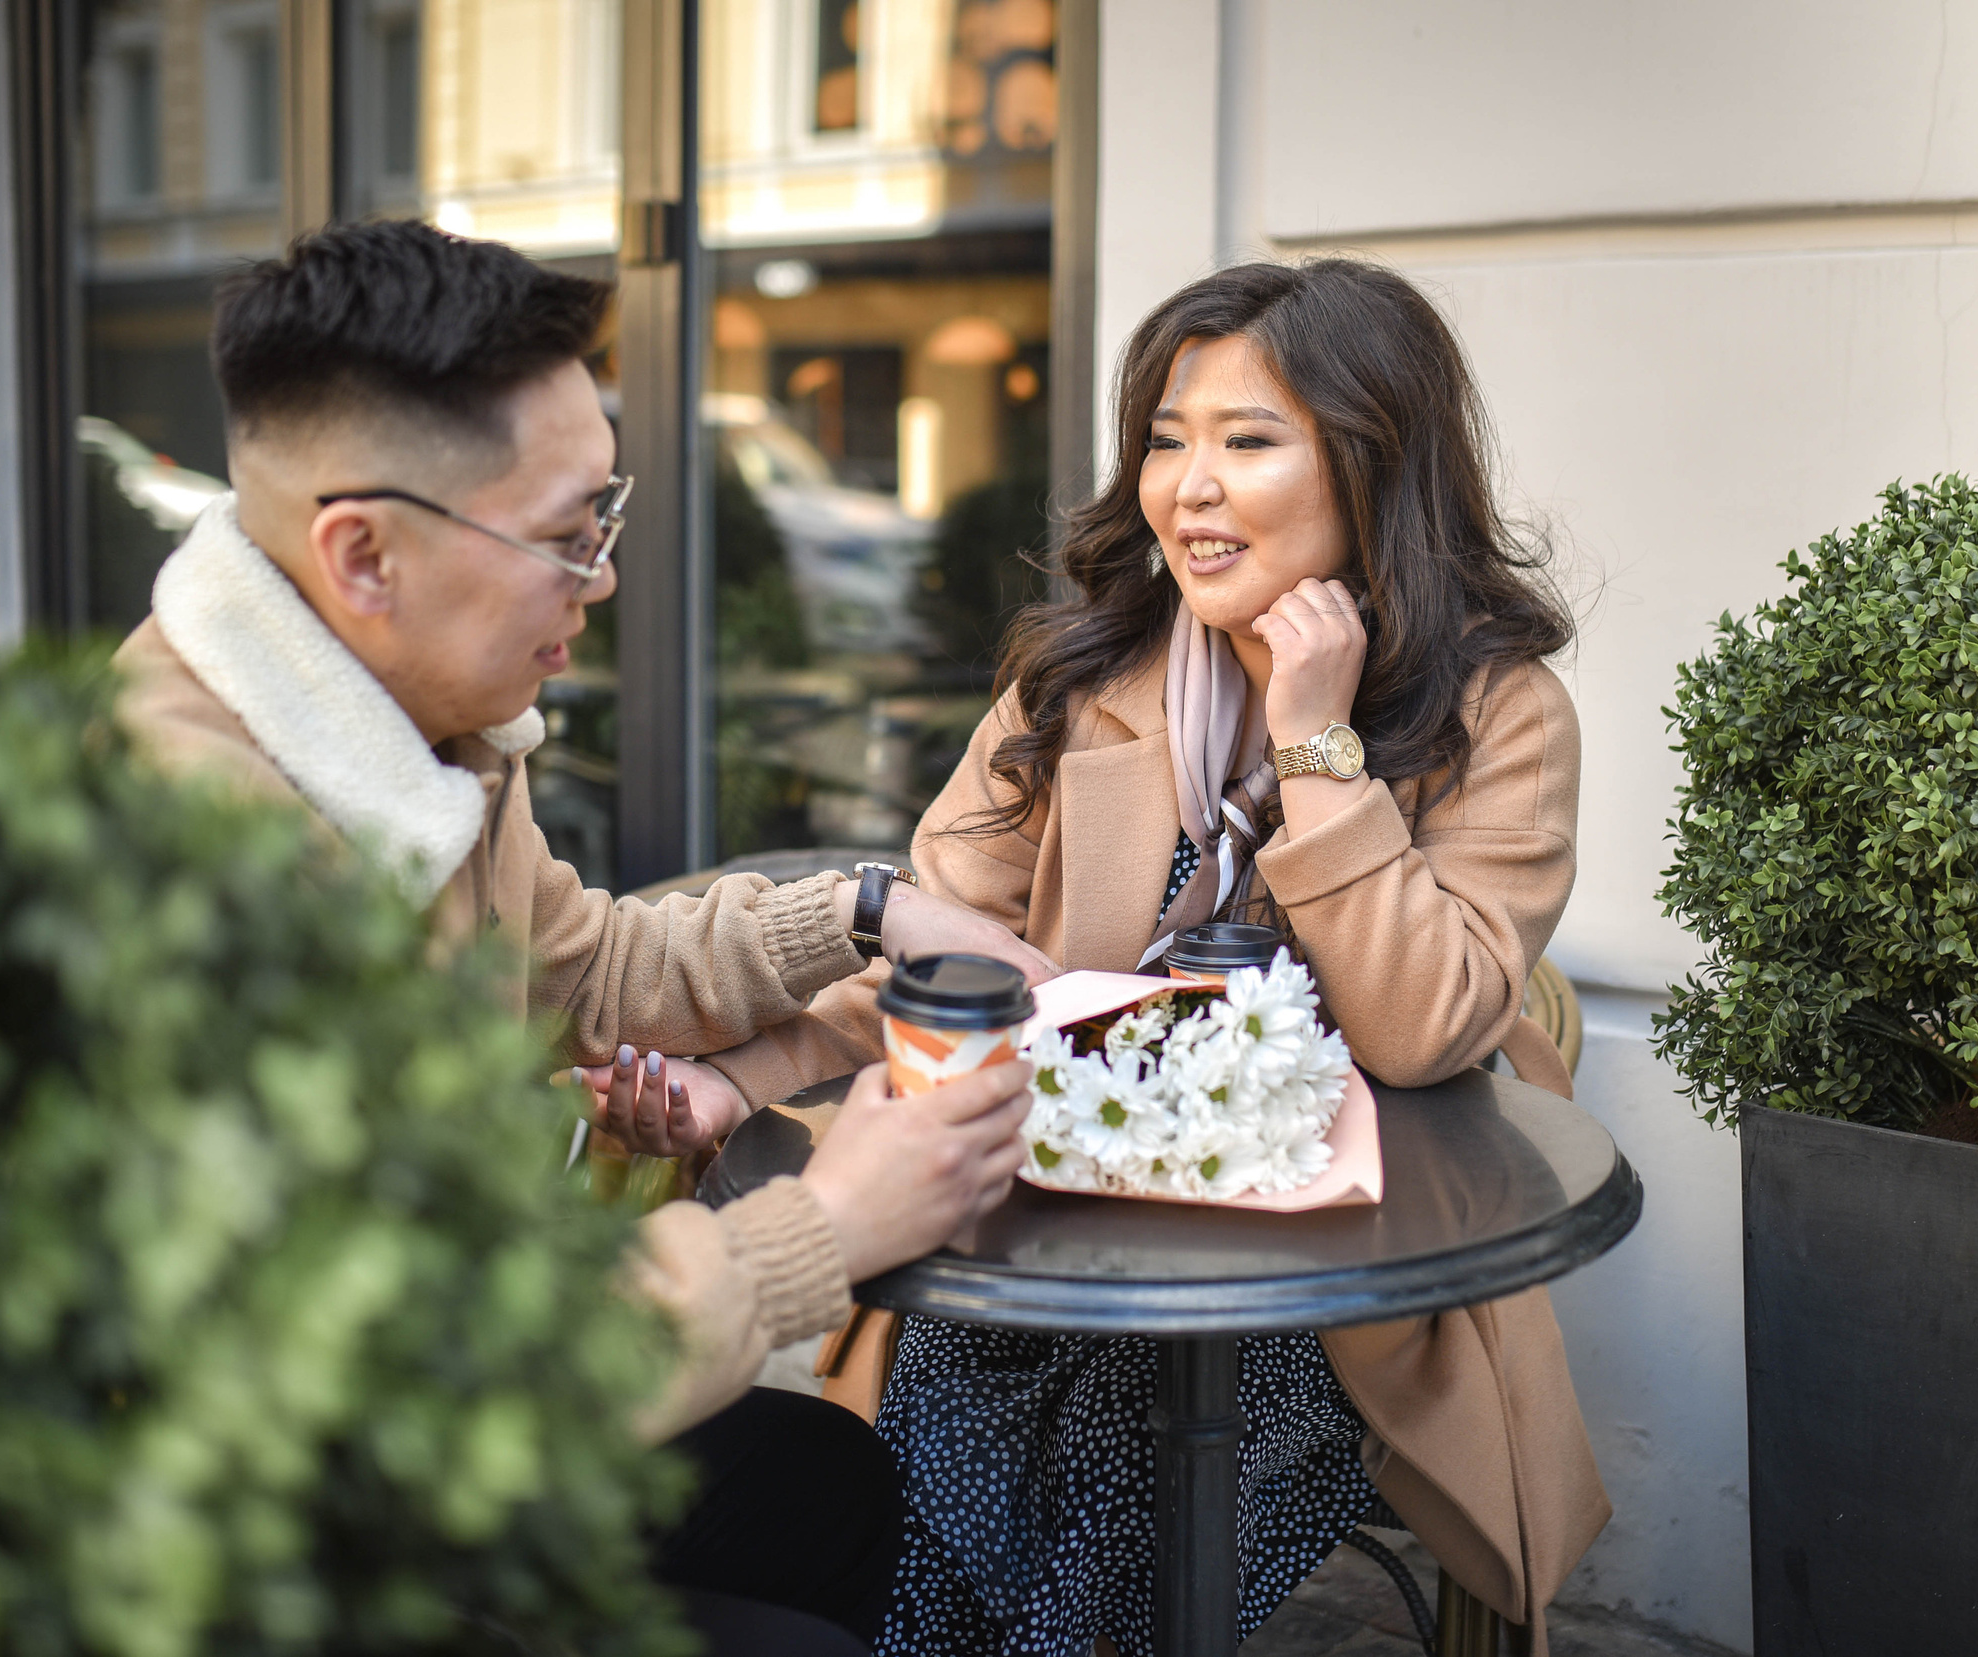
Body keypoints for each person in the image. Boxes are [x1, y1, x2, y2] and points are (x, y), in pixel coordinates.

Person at [593, 259, 1609, 1655]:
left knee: (1108, 1578)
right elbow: (942, 931)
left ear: (1373, 465)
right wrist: (746, 1073)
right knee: (911, 1569)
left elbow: (1427, 1023)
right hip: (1048, 1223)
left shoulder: (1499, 714)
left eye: (1247, 440)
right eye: (1168, 439)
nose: (1187, 485)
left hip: (1313, 1282)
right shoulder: (1083, 677)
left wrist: (1316, 743)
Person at [109, 218, 1054, 1654]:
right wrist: (832, 1223)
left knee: (833, 1485)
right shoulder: (195, 864)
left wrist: (865, 905)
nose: (604, 582)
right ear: (362, 553)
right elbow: (423, 1389)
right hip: (248, 1547)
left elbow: (587, 969)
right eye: (569, 538)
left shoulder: (428, 731)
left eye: (605, 522)